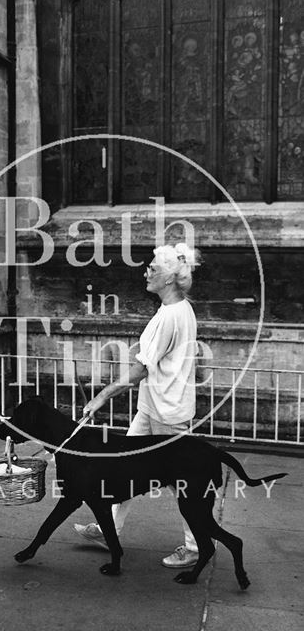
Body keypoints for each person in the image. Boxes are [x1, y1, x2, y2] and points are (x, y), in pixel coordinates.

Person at [74, 242, 207, 569]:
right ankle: (111, 531)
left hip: (167, 413)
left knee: (181, 484)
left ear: (168, 280)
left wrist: (101, 396)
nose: (146, 270)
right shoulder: (179, 309)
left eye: (154, 267)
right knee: (123, 467)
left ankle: (194, 546)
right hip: (153, 407)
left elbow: (141, 369)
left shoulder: (171, 316)